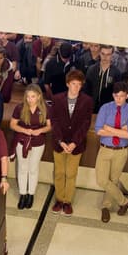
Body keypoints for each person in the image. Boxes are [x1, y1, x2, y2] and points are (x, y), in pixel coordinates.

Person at [48, 69, 94, 216]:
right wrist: (61, 141)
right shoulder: (57, 99)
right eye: (73, 84)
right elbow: (54, 122)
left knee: (71, 173)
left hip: (76, 144)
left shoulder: (87, 101)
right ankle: (59, 200)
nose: (76, 87)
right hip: (59, 143)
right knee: (60, 173)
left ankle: (67, 202)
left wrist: (74, 143)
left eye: (79, 85)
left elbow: (85, 124)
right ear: (68, 84)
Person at [92, 81, 128, 224]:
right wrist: (120, 130)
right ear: (113, 95)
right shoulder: (105, 108)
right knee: (102, 180)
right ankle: (124, 201)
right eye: (116, 96)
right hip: (105, 149)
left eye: (122, 96)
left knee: (114, 180)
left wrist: (109, 129)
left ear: (127, 96)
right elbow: (99, 130)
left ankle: (106, 207)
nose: (118, 99)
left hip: (121, 151)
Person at [9, 83, 50, 209]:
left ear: (38, 96)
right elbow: (13, 125)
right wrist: (24, 130)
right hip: (22, 141)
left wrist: (41, 130)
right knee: (22, 168)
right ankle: (23, 194)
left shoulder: (45, 108)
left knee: (33, 169)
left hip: (38, 142)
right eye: (28, 97)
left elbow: (49, 126)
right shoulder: (20, 108)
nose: (30, 99)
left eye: (32, 97)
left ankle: (31, 194)